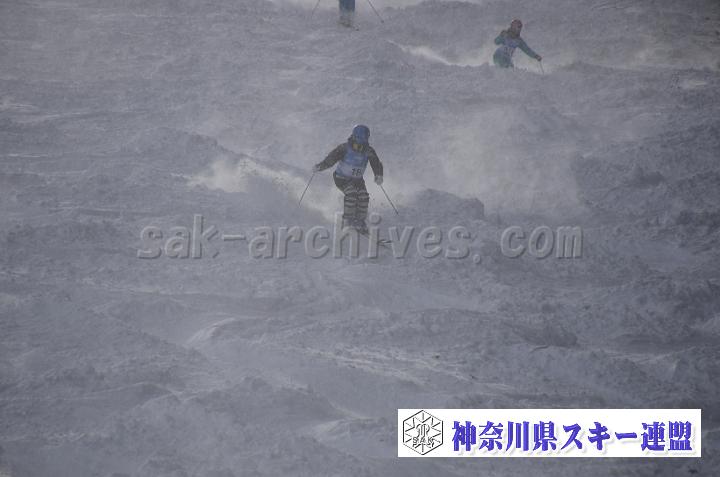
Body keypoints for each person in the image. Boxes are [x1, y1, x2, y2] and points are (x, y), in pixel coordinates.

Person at [313, 125, 384, 233]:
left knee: (363, 196)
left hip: (358, 180)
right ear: (353, 137)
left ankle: (360, 221)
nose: (359, 148)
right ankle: (348, 220)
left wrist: (378, 175)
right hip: (341, 178)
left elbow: (376, 163)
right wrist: (320, 166)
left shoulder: (369, 151)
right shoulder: (344, 148)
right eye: (357, 144)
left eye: (362, 144)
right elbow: (331, 159)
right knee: (352, 194)